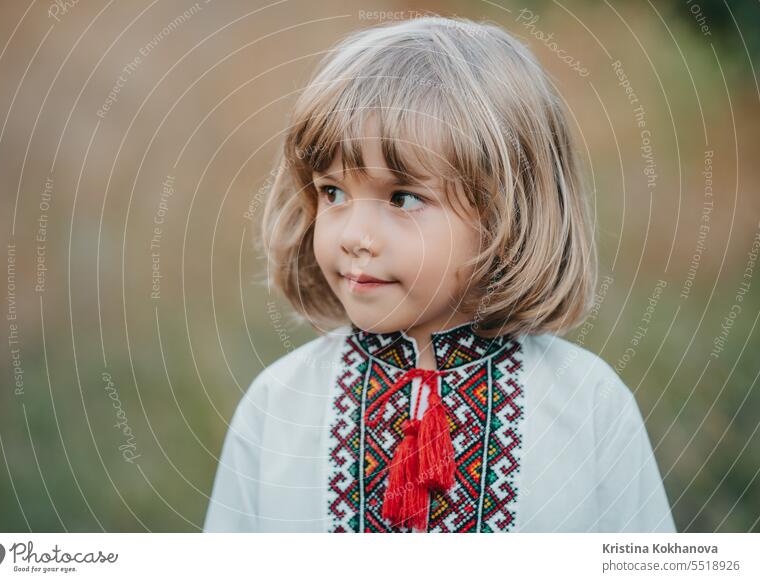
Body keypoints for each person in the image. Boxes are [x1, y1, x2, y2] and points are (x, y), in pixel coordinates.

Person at [203, 15, 676, 533]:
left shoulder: (588, 406)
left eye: (403, 198)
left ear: (506, 215)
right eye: (332, 192)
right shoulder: (279, 407)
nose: (353, 235)